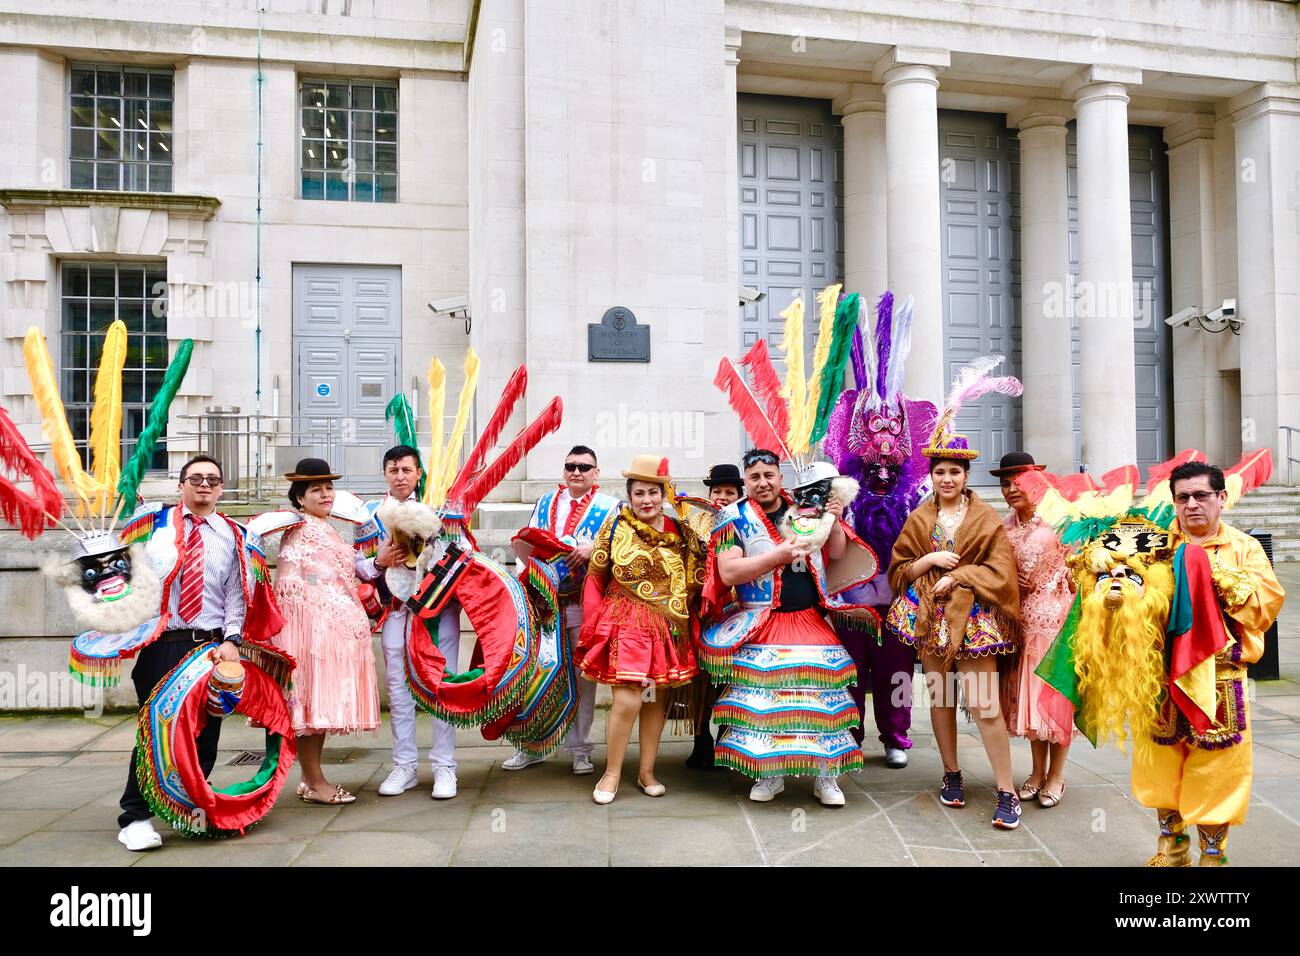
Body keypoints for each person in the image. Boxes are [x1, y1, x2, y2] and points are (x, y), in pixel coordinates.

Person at [886, 371, 1024, 830]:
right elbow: (899, 568)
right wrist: (929, 563)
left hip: (975, 618)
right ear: (931, 476)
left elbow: (1001, 572)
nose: (947, 478)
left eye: (954, 472)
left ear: (966, 476)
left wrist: (959, 573)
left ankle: (1006, 791)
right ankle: (951, 774)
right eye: (939, 471)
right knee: (940, 697)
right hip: (928, 618)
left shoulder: (986, 517)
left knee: (985, 706)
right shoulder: (918, 517)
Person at [1133, 460, 1285, 865]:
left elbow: (1264, 607)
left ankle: (1212, 854)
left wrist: (1209, 575)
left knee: (1217, 766)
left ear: (1221, 498)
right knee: (1160, 760)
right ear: (1174, 503)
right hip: (1161, 674)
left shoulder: (1244, 548)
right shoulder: (1154, 547)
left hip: (1220, 676)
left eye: (1202, 495)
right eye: (1183, 497)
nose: (1192, 505)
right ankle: (1171, 844)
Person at [702, 450, 872, 807]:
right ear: (745, 482)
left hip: (811, 617)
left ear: (780, 477)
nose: (763, 482)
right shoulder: (732, 517)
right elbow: (729, 573)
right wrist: (777, 556)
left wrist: (835, 520)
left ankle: (827, 776)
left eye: (769, 474)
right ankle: (770, 773)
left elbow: (837, 553)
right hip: (763, 620)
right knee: (768, 703)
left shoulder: (807, 504)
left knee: (819, 700)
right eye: (755, 476)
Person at [824, 291, 937, 769]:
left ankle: (895, 737)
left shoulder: (917, 494)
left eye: (892, 428)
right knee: (851, 669)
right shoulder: (841, 490)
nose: (884, 443)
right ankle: (850, 734)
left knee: (895, 671)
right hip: (851, 597)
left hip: (898, 597)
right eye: (875, 428)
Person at [117, 455, 252, 851]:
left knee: (206, 732)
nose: (205, 485)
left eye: (213, 479)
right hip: (164, 643)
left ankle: (191, 802)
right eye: (196, 478)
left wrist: (232, 639)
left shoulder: (232, 534)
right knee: (156, 732)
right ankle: (136, 816)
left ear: (221, 488)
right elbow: (122, 579)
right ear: (181, 486)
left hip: (211, 647)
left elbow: (236, 593)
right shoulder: (153, 527)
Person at [577, 455, 705, 803]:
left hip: (666, 626)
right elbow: (595, 577)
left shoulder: (681, 531)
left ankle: (647, 771)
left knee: (654, 700)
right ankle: (612, 772)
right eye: (638, 493)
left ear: (663, 493)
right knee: (627, 699)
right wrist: (590, 625)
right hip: (626, 621)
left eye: (652, 492)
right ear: (629, 496)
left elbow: (698, 575)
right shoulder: (615, 526)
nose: (646, 500)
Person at [503, 445, 620, 775]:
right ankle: (531, 745)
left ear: (596, 473)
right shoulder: (544, 502)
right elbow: (525, 549)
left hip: (584, 604)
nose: (576, 472)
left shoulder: (611, 507)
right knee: (534, 676)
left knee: (583, 679)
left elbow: (622, 552)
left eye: (584, 466)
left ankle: (579, 749)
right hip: (542, 604)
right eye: (571, 465)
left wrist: (593, 550)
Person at [354, 444, 461, 800]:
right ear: (385, 473)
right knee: (399, 692)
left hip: (437, 613)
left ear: (418, 474)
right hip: (395, 612)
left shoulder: (442, 510)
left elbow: (465, 556)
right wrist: (380, 562)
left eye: (406, 470)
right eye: (393, 470)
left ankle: (445, 766)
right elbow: (357, 566)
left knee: (443, 687)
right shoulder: (368, 515)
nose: (400, 476)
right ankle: (405, 766)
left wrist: (432, 557)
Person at [272, 458, 380, 804]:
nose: (325, 494)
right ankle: (316, 782)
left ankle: (309, 778)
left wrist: (381, 563)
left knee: (317, 711)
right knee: (309, 709)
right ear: (300, 498)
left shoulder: (329, 528)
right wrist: (309, 635)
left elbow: (342, 575)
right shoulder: (299, 532)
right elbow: (290, 588)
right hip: (314, 636)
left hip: (334, 632)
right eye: (316, 489)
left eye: (329, 487)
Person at [994, 451, 1075, 808]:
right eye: (1005, 483)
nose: (1011, 489)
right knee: (1029, 703)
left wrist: (1052, 576)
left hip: (1055, 623)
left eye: (1018, 482)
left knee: (1055, 699)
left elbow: (1079, 571)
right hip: (1019, 625)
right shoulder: (1004, 526)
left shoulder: (1059, 522)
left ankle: (1057, 775)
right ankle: (1036, 772)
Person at [680, 463, 744, 769]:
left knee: (730, 679)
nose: (722, 497)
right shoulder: (696, 523)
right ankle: (701, 738)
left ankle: (727, 738)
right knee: (702, 681)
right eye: (717, 491)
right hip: (704, 613)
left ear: (739, 495)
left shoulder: (747, 523)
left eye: (729, 492)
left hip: (738, 613)